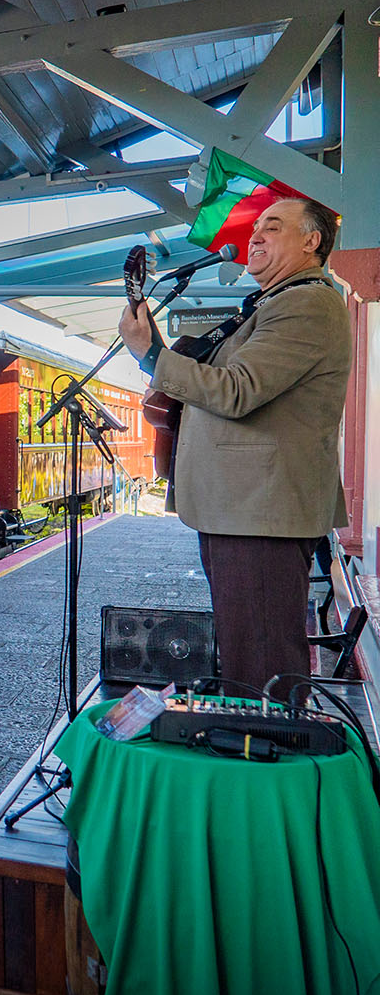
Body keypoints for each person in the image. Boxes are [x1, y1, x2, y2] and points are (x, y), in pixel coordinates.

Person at [118, 197, 351, 696]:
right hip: (244, 509)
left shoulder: (304, 303)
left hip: (259, 511)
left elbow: (236, 390)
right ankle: (252, 743)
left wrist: (150, 353)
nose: (256, 236)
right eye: (256, 229)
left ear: (312, 241)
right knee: (247, 648)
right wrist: (155, 350)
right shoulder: (274, 303)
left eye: (273, 226)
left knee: (261, 661)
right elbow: (216, 377)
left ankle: (268, 754)